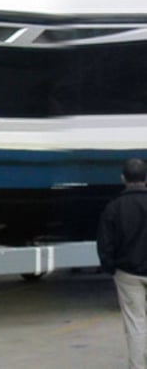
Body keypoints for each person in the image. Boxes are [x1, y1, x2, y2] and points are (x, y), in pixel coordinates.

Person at [97, 158, 147, 369]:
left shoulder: (113, 208)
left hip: (128, 273)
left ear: (123, 178)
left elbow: (105, 243)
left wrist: (110, 267)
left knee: (136, 324)